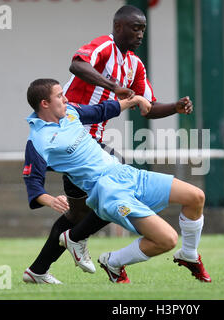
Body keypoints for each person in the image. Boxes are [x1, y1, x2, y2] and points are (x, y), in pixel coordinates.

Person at [23, 4, 194, 283]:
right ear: (118, 28)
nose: (140, 34)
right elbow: (76, 64)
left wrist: (175, 107)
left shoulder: (135, 65)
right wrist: (112, 87)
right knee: (112, 189)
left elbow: (145, 106)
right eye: (135, 28)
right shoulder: (104, 45)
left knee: (79, 214)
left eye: (143, 29)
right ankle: (75, 243)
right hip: (69, 138)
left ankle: (40, 268)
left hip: (89, 144)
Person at [23, 79, 211, 284]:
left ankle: (189, 254)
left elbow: (101, 110)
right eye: (59, 96)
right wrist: (51, 200)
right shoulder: (39, 140)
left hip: (125, 173)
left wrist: (136, 99)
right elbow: (33, 182)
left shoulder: (70, 112)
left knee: (196, 197)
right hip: (108, 191)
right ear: (45, 103)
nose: (65, 98)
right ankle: (113, 261)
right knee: (167, 240)